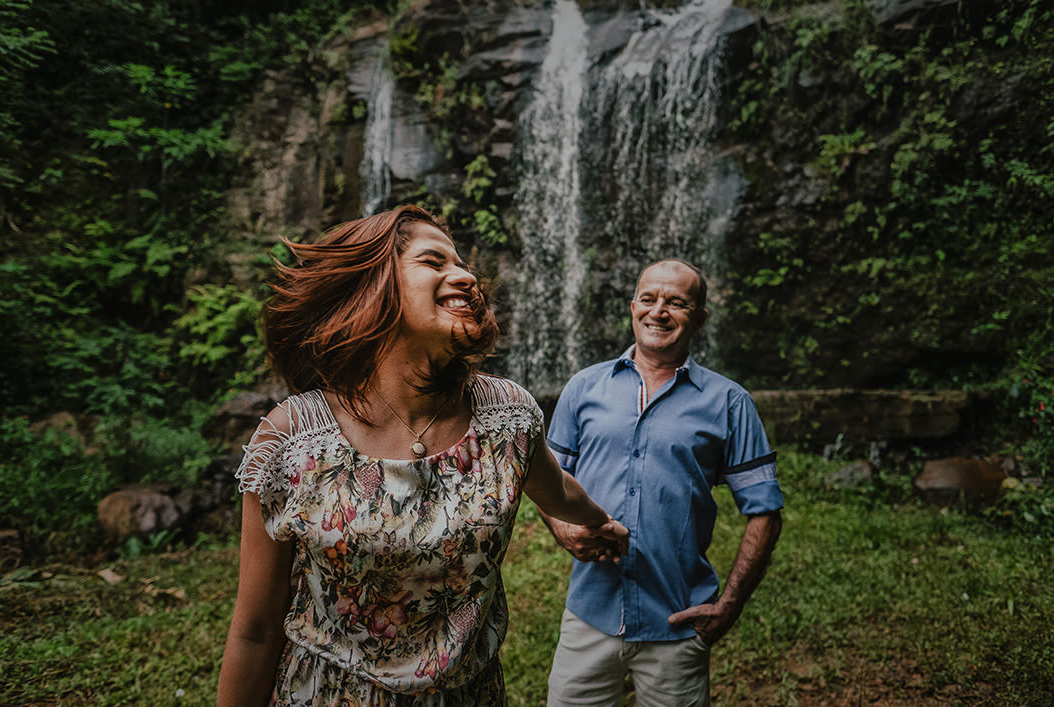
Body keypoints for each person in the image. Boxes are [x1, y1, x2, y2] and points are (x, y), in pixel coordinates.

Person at [217, 205, 628, 706]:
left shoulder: (507, 417)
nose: (466, 277)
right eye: (434, 261)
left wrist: (597, 522)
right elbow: (256, 630)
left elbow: (558, 489)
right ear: (373, 286)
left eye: (462, 264)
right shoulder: (293, 440)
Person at [541, 259, 784, 707]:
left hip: (678, 624)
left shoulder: (730, 402)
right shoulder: (583, 387)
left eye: (676, 302)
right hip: (589, 616)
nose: (659, 311)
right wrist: (563, 529)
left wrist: (729, 605)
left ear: (700, 319)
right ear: (633, 307)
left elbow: (766, 511)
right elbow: (546, 479)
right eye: (649, 299)